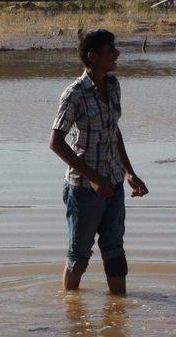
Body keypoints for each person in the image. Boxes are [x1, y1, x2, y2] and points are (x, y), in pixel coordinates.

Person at [48, 29, 148, 295]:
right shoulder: (75, 94)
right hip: (83, 189)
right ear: (92, 57)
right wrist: (93, 178)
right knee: (79, 255)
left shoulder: (113, 86)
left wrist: (129, 172)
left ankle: (119, 311)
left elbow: (113, 131)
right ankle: (70, 311)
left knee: (115, 251)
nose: (117, 54)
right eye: (110, 50)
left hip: (113, 184)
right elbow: (55, 142)